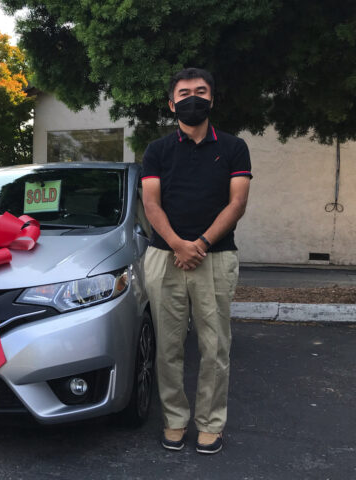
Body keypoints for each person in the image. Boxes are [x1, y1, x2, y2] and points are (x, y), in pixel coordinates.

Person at [141, 67, 252, 454]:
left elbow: (237, 203)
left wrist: (200, 244)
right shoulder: (157, 151)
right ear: (172, 104)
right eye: (184, 93)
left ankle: (211, 423)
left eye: (201, 91)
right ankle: (174, 420)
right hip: (164, 256)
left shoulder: (234, 147)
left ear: (212, 99)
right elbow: (150, 203)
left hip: (216, 258)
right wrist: (178, 244)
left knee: (215, 347)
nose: (193, 98)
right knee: (168, 348)